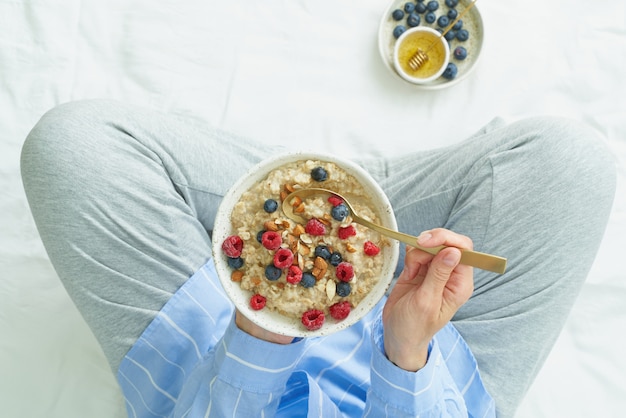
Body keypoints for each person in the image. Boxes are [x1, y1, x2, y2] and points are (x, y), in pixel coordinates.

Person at [20, 100, 616, 418]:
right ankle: (355, 202)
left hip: (205, 353)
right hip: (433, 366)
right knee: (570, 162)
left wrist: (263, 325)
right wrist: (407, 352)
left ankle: (292, 193)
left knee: (71, 145)